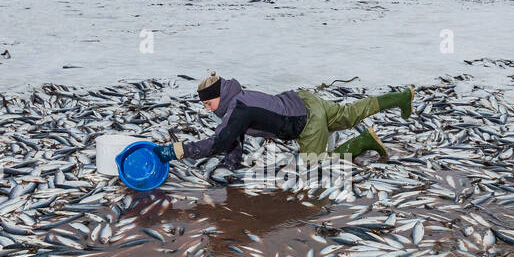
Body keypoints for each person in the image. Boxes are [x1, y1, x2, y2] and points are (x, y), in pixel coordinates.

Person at [155, 73, 414, 169]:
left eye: (208, 104)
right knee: (350, 113)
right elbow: (235, 131)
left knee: (314, 164)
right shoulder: (239, 98)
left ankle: (363, 142)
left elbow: (219, 141)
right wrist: (232, 162)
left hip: (305, 122)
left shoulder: (237, 109)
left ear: (219, 97)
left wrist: (176, 151)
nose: (207, 109)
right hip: (305, 100)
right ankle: (401, 97)